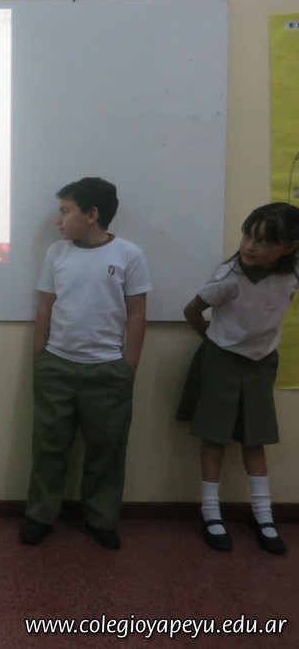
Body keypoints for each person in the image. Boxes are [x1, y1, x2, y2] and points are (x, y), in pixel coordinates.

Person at [19, 177, 151, 550]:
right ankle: (40, 515)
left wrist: (128, 366)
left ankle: (101, 518)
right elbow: (45, 307)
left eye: (65, 211)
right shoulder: (56, 253)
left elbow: (137, 314)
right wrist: (40, 359)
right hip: (56, 366)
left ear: (92, 215)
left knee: (106, 451)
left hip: (108, 370)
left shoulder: (129, 254)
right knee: (49, 447)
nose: (58, 220)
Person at [177, 202, 299, 555]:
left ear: (289, 248)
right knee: (214, 437)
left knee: (255, 439)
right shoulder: (229, 276)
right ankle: (210, 512)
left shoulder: (292, 272)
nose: (249, 246)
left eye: (263, 241)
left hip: (261, 363)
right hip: (222, 361)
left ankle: (263, 514)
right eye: (248, 235)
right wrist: (212, 341)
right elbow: (192, 310)